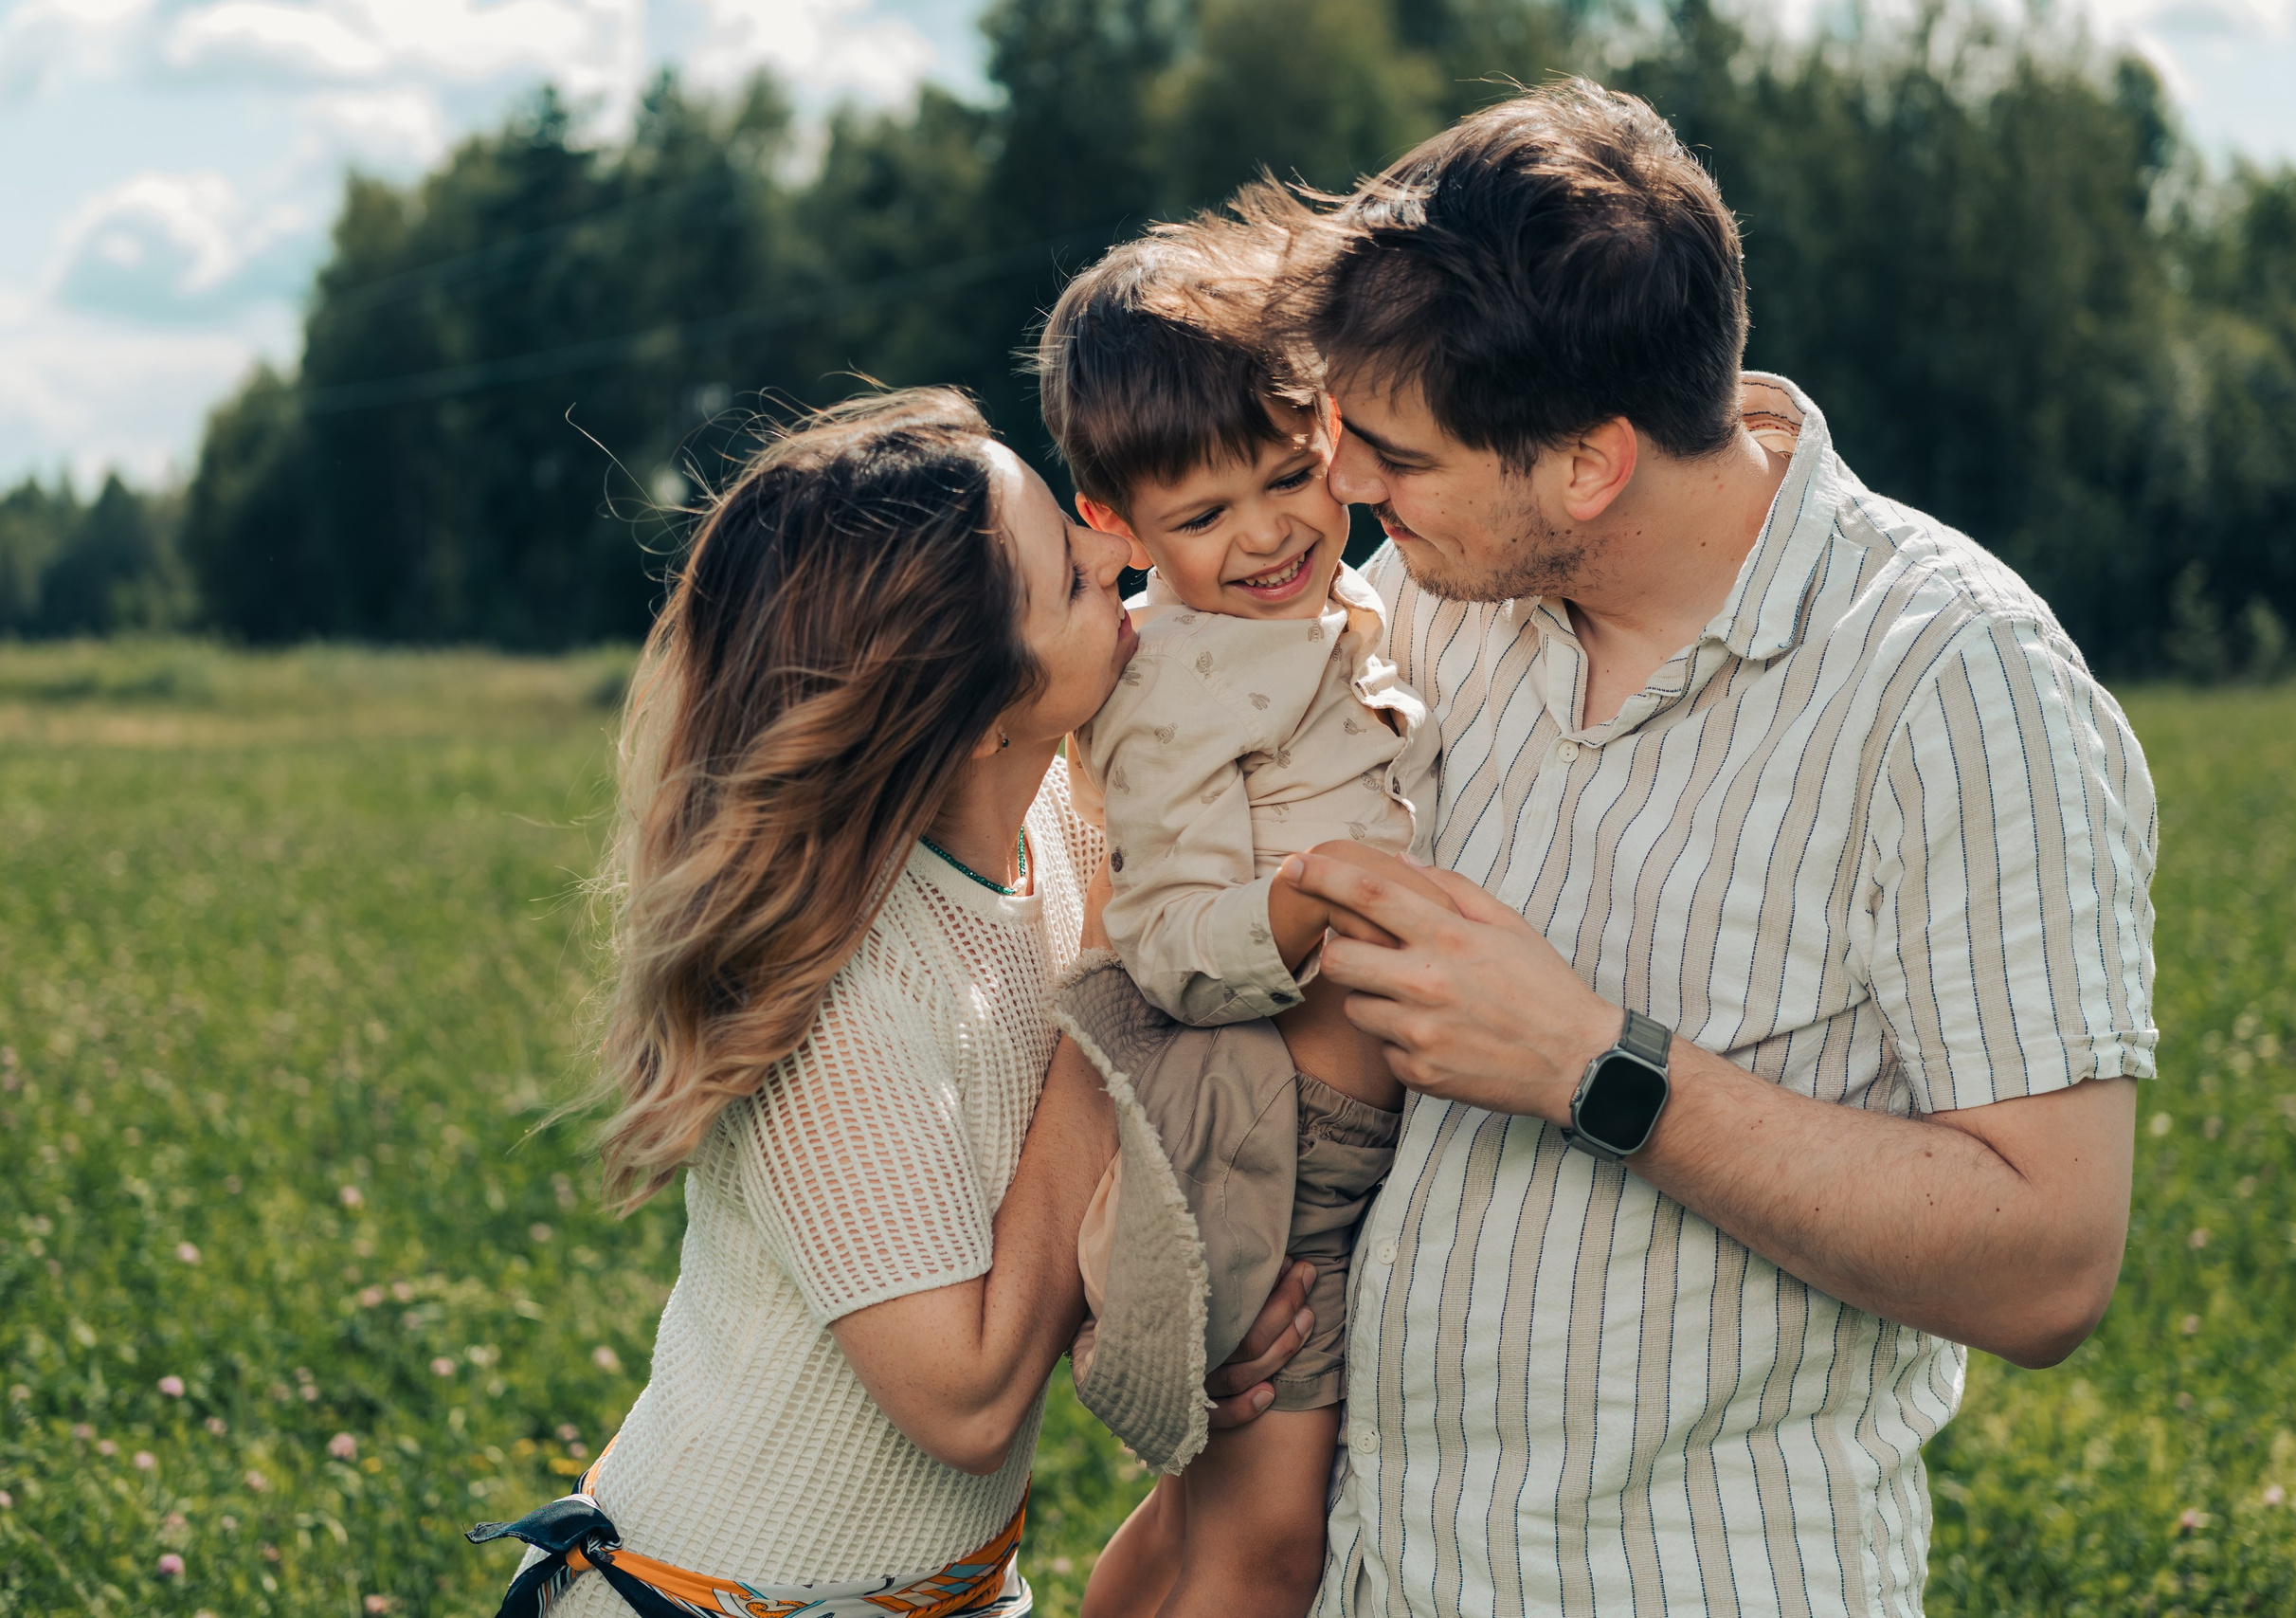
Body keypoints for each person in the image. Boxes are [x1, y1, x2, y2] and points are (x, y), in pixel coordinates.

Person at [1255, 82, 2156, 1617]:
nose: (1344, 486)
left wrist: (1594, 1065)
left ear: (1591, 465)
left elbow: (2050, 1261)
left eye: (1394, 453)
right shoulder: (1419, 604)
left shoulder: (1957, 685)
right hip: (1376, 1578)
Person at [463, 389, 1314, 1618]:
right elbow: (962, 1399)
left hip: (950, 1593)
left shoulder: (1057, 829)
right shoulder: (835, 986)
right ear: (968, 711)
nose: (1114, 547)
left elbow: (1046, 1214)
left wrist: (1173, 1330)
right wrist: (1112, 1005)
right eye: (1069, 579)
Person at [1027, 225, 1453, 1618]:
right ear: (1115, 526)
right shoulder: (1171, 686)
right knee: (1269, 1548)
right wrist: (1286, 908)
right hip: (1287, 1139)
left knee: (1197, 1517)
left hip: (1324, 1122)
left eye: (1290, 477)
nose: (1267, 533)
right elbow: (1165, 937)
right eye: (1204, 519)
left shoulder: (1318, 609)